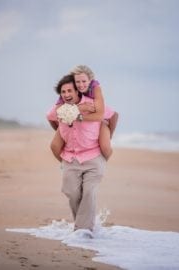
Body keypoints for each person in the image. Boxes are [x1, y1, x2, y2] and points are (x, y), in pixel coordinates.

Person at [47, 74, 115, 232]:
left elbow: (113, 115)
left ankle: (83, 231)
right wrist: (61, 126)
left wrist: (108, 133)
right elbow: (50, 116)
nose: (66, 94)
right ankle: (84, 225)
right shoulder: (60, 108)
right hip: (71, 158)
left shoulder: (92, 104)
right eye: (63, 92)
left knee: (89, 193)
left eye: (69, 90)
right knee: (72, 193)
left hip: (93, 156)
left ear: (78, 91)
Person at [48, 65, 118, 161]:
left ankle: (103, 162)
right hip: (79, 114)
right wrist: (63, 130)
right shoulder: (67, 93)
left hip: (101, 119)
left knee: (105, 147)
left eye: (84, 81)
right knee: (54, 146)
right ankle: (65, 164)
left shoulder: (95, 89)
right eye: (78, 82)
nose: (81, 85)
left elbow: (109, 115)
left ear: (90, 80)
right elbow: (52, 116)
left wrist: (110, 135)